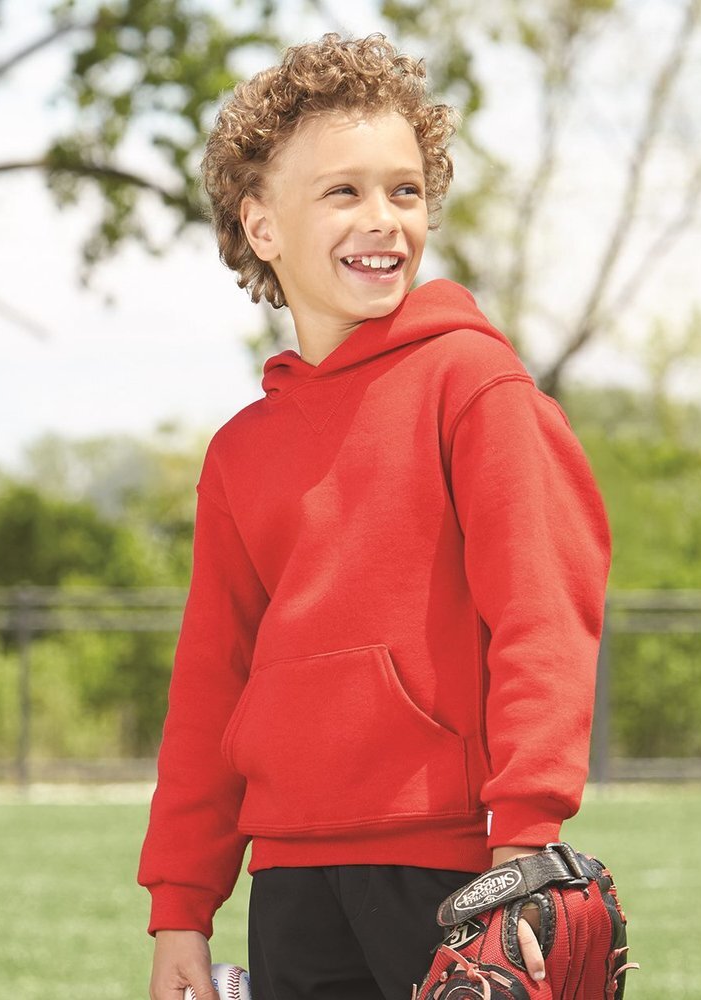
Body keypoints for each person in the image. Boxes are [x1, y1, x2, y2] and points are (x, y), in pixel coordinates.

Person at [139, 32, 618, 1000]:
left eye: (405, 190)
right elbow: (210, 684)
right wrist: (181, 903)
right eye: (342, 191)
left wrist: (524, 840)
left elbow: (542, 613)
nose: (383, 220)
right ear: (261, 225)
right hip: (288, 870)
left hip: (453, 865)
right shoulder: (240, 451)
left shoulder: (474, 386)